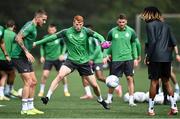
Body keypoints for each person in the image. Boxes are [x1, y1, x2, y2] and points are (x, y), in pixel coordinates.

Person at [34, 15, 110, 109]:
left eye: (81, 24)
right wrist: (37, 43)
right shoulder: (66, 32)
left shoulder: (86, 31)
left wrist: (103, 41)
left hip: (84, 63)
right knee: (60, 75)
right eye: (77, 24)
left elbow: (98, 35)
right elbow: (52, 38)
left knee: (94, 85)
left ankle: (100, 99)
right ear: (73, 23)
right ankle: (47, 97)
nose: (79, 27)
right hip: (71, 61)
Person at [141, 6, 180, 116]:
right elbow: (173, 43)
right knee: (167, 82)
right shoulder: (166, 25)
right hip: (167, 58)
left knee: (154, 81)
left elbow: (152, 42)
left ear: (150, 13)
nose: (143, 15)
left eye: (144, 13)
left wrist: (148, 56)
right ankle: (174, 108)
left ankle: (151, 109)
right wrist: (170, 54)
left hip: (155, 57)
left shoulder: (149, 25)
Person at [11, 9, 47, 115]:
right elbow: (18, 38)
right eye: (43, 20)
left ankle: (31, 107)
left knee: (34, 82)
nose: (44, 22)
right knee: (28, 82)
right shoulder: (30, 25)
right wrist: (27, 52)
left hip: (24, 58)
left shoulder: (34, 27)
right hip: (18, 56)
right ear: (37, 18)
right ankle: (24, 109)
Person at [103, 14, 139, 106]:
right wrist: (106, 55)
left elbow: (134, 44)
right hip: (116, 59)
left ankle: (131, 101)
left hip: (128, 58)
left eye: (123, 22)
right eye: (120, 22)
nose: (121, 23)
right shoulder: (112, 31)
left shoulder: (131, 31)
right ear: (117, 22)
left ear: (126, 22)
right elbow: (107, 44)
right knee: (113, 79)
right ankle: (109, 99)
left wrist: (135, 58)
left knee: (129, 78)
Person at [80, 24, 122, 100]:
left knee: (99, 77)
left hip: (97, 59)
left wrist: (92, 58)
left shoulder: (94, 38)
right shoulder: (84, 37)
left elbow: (98, 48)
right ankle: (88, 94)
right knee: (83, 75)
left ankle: (116, 86)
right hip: (88, 60)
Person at [38, 23, 70, 97]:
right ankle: (41, 91)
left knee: (62, 76)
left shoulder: (59, 37)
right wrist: (42, 56)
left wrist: (62, 54)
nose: (51, 31)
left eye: (53, 29)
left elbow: (64, 45)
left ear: (55, 30)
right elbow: (42, 47)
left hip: (58, 59)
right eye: (50, 29)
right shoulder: (45, 37)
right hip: (48, 59)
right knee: (45, 75)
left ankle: (66, 90)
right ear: (48, 30)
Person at [0, 20, 18, 99]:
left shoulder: (2, 31)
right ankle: (8, 90)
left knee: (2, 74)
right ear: (14, 26)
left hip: (0, 58)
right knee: (12, 73)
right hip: (6, 58)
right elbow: (14, 48)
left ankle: (4, 92)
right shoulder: (14, 35)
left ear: (6, 25)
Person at [0, 24, 11, 100]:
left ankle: (2, 94)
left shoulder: (1, 29)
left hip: (2, 58)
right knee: (4, 75)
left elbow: (2, 42)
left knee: (4, 75)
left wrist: (6, 54)